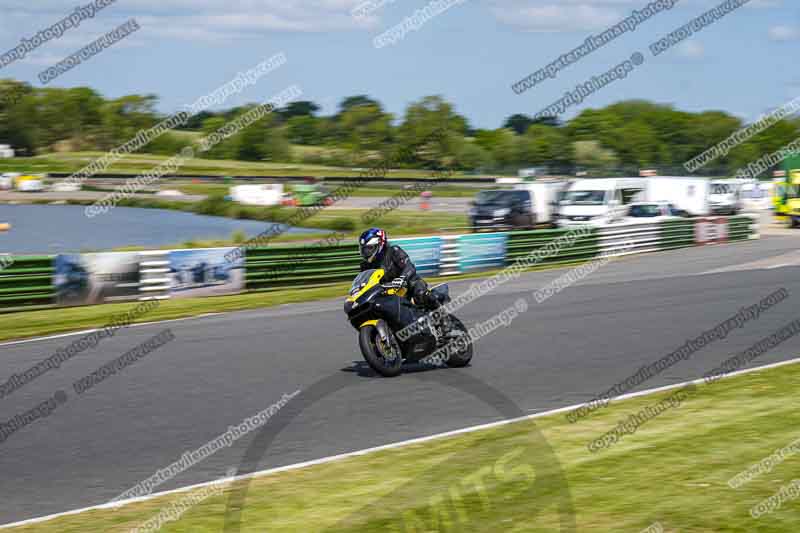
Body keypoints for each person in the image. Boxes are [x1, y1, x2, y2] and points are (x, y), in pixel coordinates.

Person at [358, 228, 440, 310]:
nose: (366, 252)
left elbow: (409, 267)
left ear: (380, 244)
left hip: (407, 286)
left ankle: (441, 313)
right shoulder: (365, 266)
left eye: (369, 248)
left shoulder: (394, 251)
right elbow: (363, 283)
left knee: (421, 294)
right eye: (364, 249)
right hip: (387, 293)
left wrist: (401, 279)